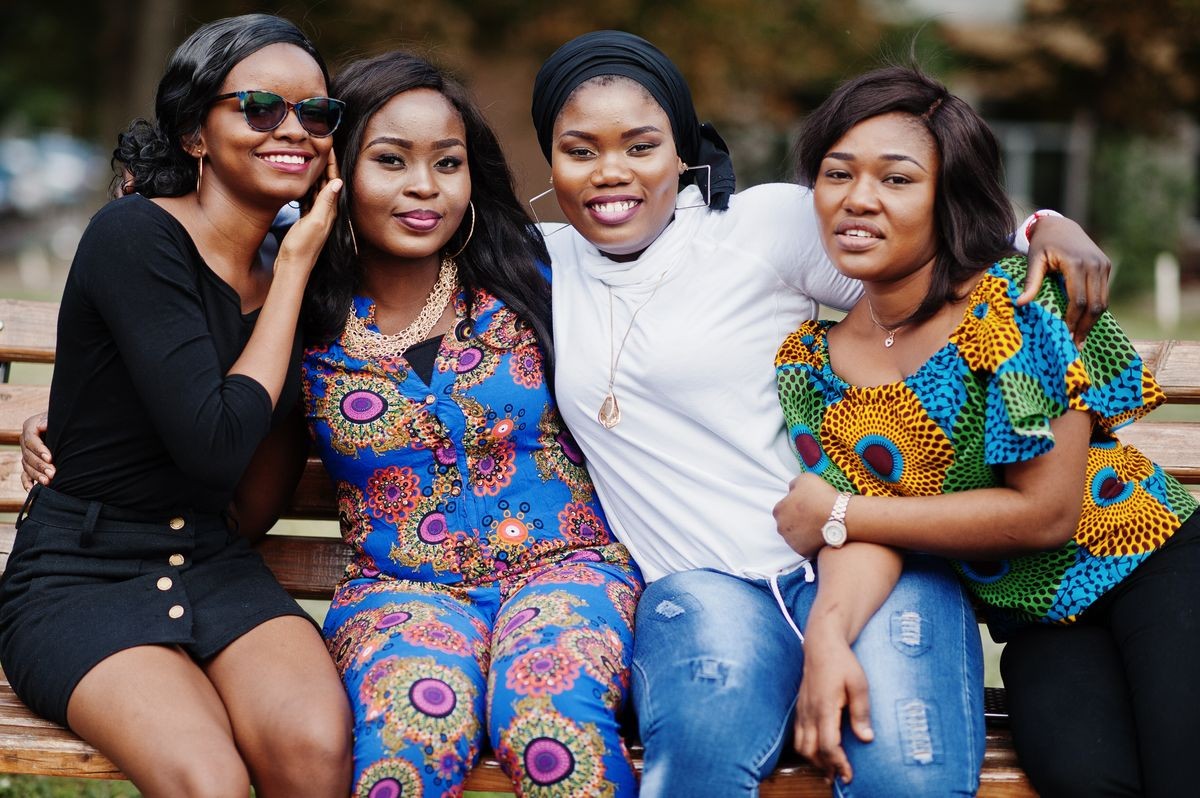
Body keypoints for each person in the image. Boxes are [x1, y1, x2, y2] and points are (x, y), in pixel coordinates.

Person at [528, 30, 1113, 797]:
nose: (612, 173)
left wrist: (1042, 227)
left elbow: (935, 244)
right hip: (705, 586)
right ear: (549, 160)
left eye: (641, 145)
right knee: (696, 762)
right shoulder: (531, 262)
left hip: (868, 551)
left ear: (682, 150)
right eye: (579, 150)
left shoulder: (760, 227)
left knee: (903, 774)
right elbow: (395, 231)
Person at [774, 65, 1199, 798]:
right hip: (1040, 630)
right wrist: (828, 638)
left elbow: (1046, 513)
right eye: (836, 173)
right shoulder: (814, 366)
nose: (858, 199)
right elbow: (864, 537)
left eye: (898, 179)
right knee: (1084, 781)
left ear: (948, 199)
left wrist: (836, 513)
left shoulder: (1016, 304)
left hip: (1158, 572)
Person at [0, 14, 353, 797]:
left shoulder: (310, 264)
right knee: (208, 780)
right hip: (81, 575)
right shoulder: (135, 238)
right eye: (261, 107)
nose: (292, 129)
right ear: (196, 132)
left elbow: (249, 499)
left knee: (316, 750)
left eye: (316, 114)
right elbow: (214, 445)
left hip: (214, 560)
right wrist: (293, 274)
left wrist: (298, 274)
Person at [291, 51, 648, 796]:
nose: (424, 186)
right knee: (412, 731)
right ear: (339, 173)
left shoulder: (535, 281)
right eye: (390, 160)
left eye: (446, 163)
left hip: (568, 569)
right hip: (397, 590)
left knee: (550, 716)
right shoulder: (304, 326)